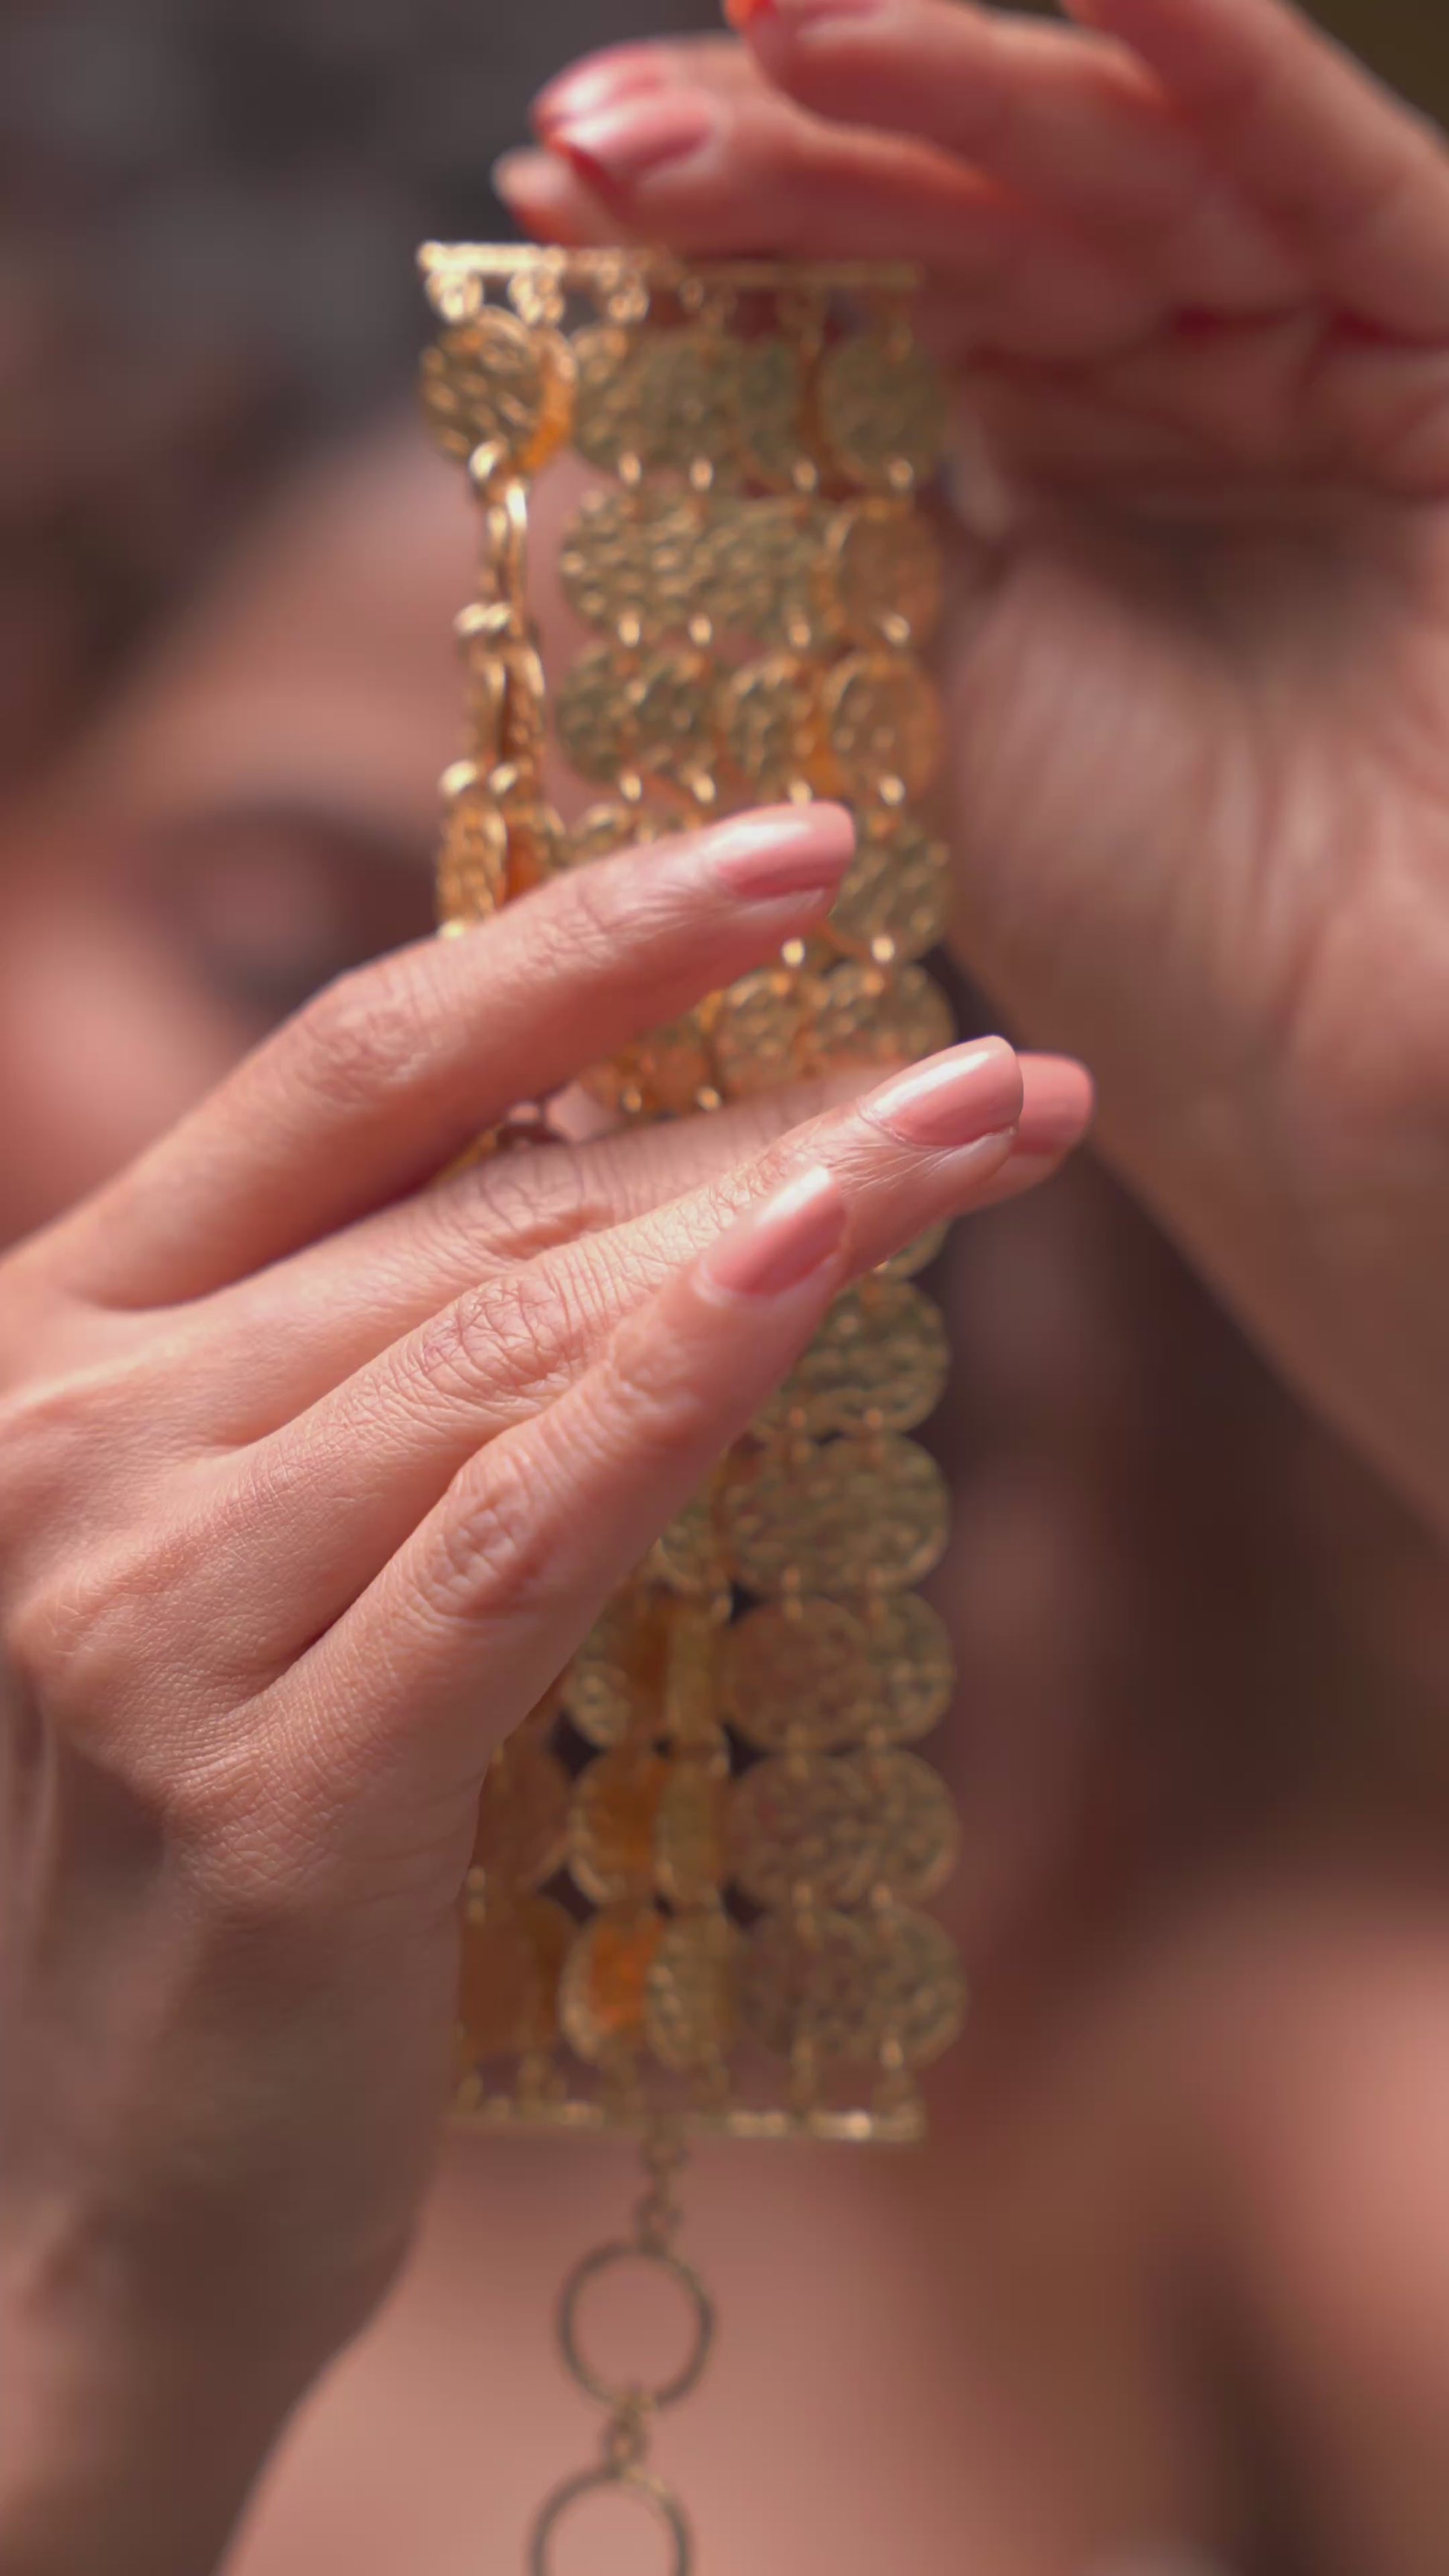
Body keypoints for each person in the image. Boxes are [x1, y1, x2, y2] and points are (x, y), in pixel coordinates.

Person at [3, 3, 1449, 2572]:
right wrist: (93, 2343)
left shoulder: (1243, 2151)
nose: (585, 1170)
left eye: (802, 1041)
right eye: (288, 950)